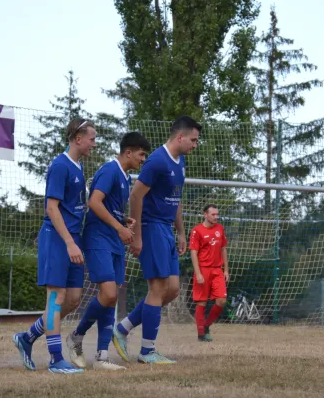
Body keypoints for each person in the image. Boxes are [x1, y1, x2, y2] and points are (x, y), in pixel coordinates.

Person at [113, 115, 201, 364]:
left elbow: (177, 198)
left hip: (166, 230)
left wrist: (181, 232)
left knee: (172, 290)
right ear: (180, 136)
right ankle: (147, 351)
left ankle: (121, 330)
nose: (195, 145)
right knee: (159, 288)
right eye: (193, 140)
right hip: (151, 228)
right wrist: (136, 235)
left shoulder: (180, 161)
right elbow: (135, 197)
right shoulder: (157, 161)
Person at [13, 118, 96, 374]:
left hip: (72, 239)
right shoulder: (59, 166)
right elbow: (51, 207)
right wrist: (70, 242)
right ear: (77, 138)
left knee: (72, 299)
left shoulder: (78, 167)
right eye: (91, 138)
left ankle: (26, 338)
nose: (94, 143)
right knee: (56, 297)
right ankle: (55, 359)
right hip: (58, 239)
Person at [66, 132, 151, 371]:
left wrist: (123, 221)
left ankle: (102, 356)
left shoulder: (124, 177)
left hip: (113, 240)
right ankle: (76, 336)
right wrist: (118, 228)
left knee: (111, 298)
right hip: (98, 238)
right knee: (109, 293)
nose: (143, 159)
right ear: (128, 152)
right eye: (141, 154)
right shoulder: (110, 170)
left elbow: (108, 207)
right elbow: (94, 202)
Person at [189, 204, 229, 342]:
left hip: (217, 270)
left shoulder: (220, 228)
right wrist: (198, 273)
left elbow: (223, 249)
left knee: (222, 300)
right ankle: (201, 334)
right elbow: (193, 253)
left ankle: (206, 326)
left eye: (217, 214)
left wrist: (226, 270)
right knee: (201, 303)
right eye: (213, 214)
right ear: (205, 215)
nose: (216, 217)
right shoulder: (196, 231)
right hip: (203, 270)